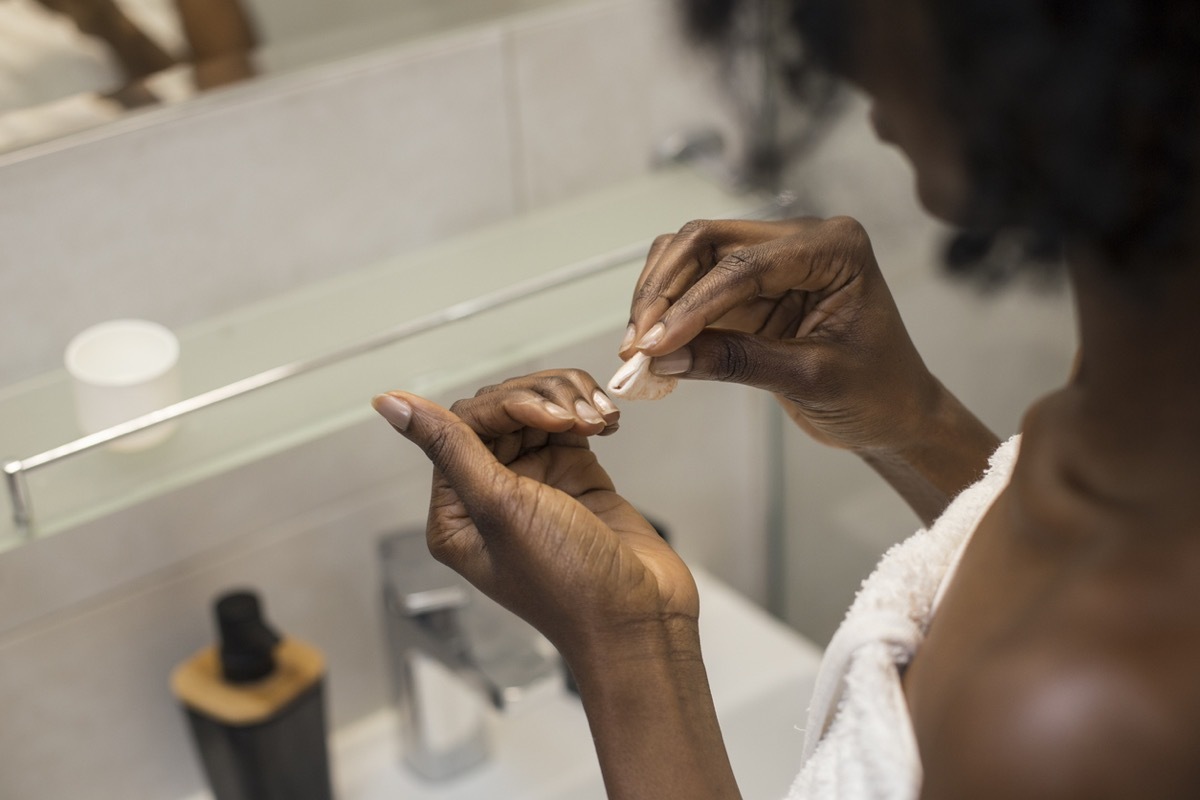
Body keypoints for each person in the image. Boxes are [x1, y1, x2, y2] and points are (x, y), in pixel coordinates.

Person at [371, 0, 1200, 797]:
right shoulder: (1139, 411)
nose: (839, 41)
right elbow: (1044, 565)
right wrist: (912, 419)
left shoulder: (1074, 728)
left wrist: (629, 646)